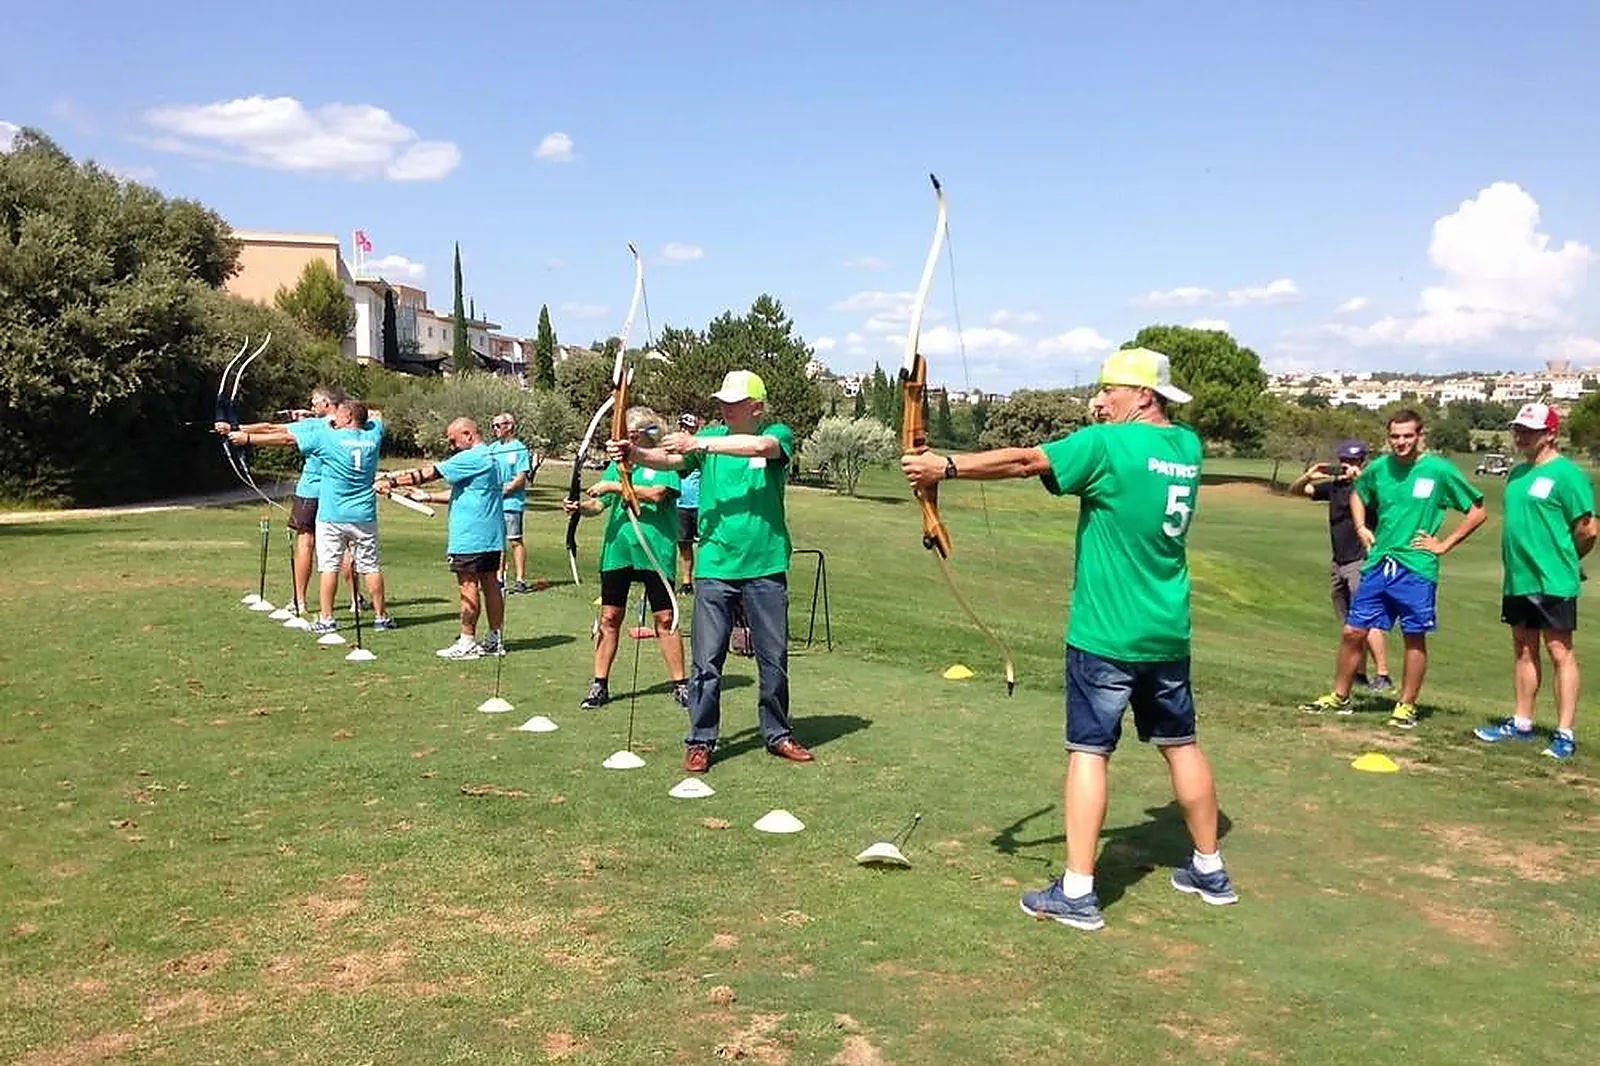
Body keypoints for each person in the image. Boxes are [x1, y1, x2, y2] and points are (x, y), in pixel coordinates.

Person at [902, 347, 1234, 932]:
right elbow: (1053, 467)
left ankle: (1078, 892)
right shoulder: (1187, 447)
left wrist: (943, 467)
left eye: (1110, 390)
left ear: (1144, 396)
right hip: (1167, 632)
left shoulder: (1107, 445)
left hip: (1105, 633)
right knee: (1180, 744)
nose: (1099, 401)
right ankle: (1210, 868)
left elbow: (1027, 460)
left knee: (1089, 752)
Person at [616, 370, 813, 773]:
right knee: (706, 661)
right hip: (715, 567)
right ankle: (701, 740)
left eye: (734, 402)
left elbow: (761, 447)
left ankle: (777, 733)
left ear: (756, 407)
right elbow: (671, 460)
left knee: (773, 659)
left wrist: (699, 442)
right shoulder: (709, 440)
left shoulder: (775, 433)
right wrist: (633, 455)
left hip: (765, 565)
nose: (726, 408)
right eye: (723, 401)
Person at [1299, 409, 1486, 728]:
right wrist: (1361, 526)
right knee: (1353, 631)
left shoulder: (1438, 470)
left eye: (1407, 436)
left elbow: (1477, 511)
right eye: (1395, 436)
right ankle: (1340, 696)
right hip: (1378, 562)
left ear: (1420, 435)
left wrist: (1444, 544)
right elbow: (1358, 494)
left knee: (1414, 636)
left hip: (1416, 566)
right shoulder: (1380, 468)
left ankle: (1406, 705)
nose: (1401, 442)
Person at [1474, 403, 1596, 760]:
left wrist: (1567, 559)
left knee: (1560, 652)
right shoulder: (1517, 474)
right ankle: (1522, 722)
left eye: (1530, 430)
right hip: (1519, 578)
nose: (1521, 436)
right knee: (1524, 649)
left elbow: (1588, 530)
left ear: (1551, 434)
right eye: (1519, 429)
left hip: (1553, 579)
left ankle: (1564, 733)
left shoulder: (1568, 475)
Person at [232, 399, 395, 633]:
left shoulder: (327, 437)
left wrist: (247, 439)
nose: (334, 419)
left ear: (348, 418)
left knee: (329, 567)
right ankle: (381, 617)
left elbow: (287, 439)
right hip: (364, 514)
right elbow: (376, 415)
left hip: (332, 514)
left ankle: (327, 619)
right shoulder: (374, 435)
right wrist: (328, 417)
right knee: (370, 567)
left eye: (339, 415)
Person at [563, 406, 689, 709]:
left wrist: (614, 486)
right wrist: (580, 508)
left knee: (665, 617)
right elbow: (599, 504)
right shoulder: (616, 465)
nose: (627, 439)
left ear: (647, 433)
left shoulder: (665, 461)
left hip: (654, 551)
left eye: (633, 434)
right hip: (618, 551)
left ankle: (681, 684)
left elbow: (657, 494)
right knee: (609, 616)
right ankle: (599, 684)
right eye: (625, 433)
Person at [377, 418, 507, 660]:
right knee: (490, 584)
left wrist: (390, 482)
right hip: (490, 535)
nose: (452, 446)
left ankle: (467, 641)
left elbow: (430, 473)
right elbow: (465, 492)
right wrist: (428, 497)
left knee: (468, 586)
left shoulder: (470, 457)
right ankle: (494, 640)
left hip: (471, 536)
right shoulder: (491, 457)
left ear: (468, 435)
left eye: (453, 441)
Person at [1287, 439, 1393, 690]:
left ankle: (1383, 675)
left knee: (1367, 618)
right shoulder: (1335, 488)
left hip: (1362, 560)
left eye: (1353, 461)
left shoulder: (1371, 488)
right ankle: (1359, 673)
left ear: (1363, 463)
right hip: (1339, 561)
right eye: (1344, 460)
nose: (1347, 465)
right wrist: (1309, 475)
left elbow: (1384, 501)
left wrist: (1361, 479)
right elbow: (1297, 490)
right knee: (1351, 623)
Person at [488, 412, 535, 595]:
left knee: (515, 540)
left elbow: (521, 478)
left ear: (509, 426)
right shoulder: (492, 448)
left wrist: (503, 492)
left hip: (512, 503)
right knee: (497, 542)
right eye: (493, 426)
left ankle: (520, 579)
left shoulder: (519, 449)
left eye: (498, 425)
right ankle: (499, 578)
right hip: (494, 504)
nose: (495, 429)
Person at [675, 413, 702, 595]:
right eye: (683, 427)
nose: (685, 431)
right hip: (680, 504)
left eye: (689, 428)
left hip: (701, 504)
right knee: (684, 545)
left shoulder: (701, 450)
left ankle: (708, 581)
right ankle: (687, 583)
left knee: (707, 544)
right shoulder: (674, 451)